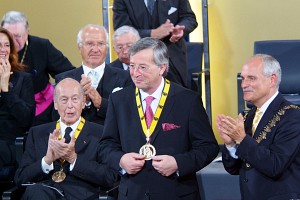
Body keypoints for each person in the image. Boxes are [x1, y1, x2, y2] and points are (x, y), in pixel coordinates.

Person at [99, 37, 219, 200]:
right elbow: (105, 146)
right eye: (132, 66)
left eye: (143, 67)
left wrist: (178, 163)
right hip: (133, 194)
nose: (135, 73)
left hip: (176, 193)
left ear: (162, 68)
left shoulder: (188, 100)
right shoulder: (118, 100)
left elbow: (208, 147)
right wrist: (120, 160)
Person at [15, 78, 118, 200]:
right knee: (36, 191)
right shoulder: (38, 133)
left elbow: (111, 178)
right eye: (64, 100)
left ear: (83, 102)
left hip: (81, 195)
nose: (70, 106)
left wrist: (74, 159)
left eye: (75, 99)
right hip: (44, 194)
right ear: (55, 104)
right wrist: (46, 161)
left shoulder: (100, 133)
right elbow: (20, 179)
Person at [216, 54, 300, 199]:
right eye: (242, 78)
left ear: (272, 80)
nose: (243, 85)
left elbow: (275, 165)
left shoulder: (292, 116)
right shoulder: (248, 116)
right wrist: (230, 145)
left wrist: (241, 139)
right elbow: (234, 169)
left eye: (251, 78)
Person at [1, 11, 75, 126]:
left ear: (27, 32)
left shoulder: (41, 46)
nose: (13, 41)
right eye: (9, 36)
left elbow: (68, 73)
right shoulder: (2, 51)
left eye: (17, 36)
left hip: (41, 110)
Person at [55, 24, 132, 125]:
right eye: (89, 44)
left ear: (107, 48)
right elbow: (56, 118)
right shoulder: (63, 79)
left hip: (113, 138)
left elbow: (128, 114)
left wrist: (100, 102)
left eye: (100, 44)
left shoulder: (125, 77)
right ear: (79, 48)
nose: (95, 49)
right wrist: (80, 100)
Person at [113, 0, 197, 87]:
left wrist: (181, 29)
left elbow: (189, 18)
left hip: (172, 58)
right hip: (138, 58)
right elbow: (121, 28)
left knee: (177, 96)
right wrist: (152, 34)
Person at [0, 27, 35, 167]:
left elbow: (26, 119)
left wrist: (6, 89)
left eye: (7, 45)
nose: (3, 49)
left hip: (10, 144)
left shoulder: (23, 79)